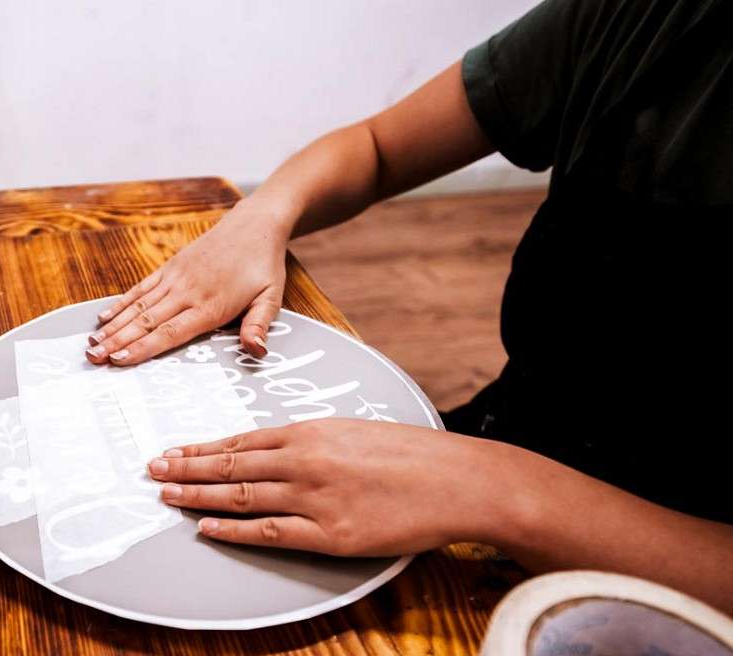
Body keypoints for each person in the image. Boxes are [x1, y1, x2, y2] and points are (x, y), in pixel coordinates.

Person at [85, 0, 733, 612]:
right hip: (501, 444)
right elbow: (377, 147)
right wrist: (264, 215)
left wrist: (499, 490)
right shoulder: (638, 15)